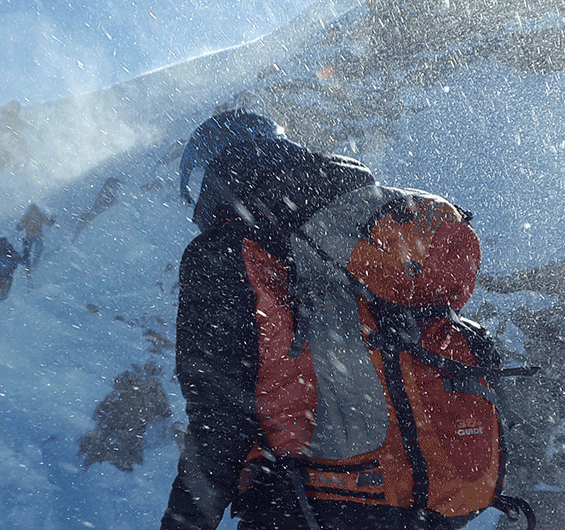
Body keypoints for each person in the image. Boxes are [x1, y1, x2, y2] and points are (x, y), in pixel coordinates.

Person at [161, 111, 520, 530]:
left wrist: (183, 521)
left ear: (219, 173)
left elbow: (219, 416)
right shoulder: (357, 224)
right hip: (419, 499)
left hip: (310, 501)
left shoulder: (224, 253)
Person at [16, 202, 56, 271]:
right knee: (37, 251)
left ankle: (27, 267)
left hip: (29, 236)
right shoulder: (39, 215)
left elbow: (20, 227)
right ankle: (34, 265)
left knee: (27, 252)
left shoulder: (27, 216)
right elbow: (49, 223)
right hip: (38, 236)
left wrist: (19, 227)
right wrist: (52, 219)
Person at [0, 237, 21, 304]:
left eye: (4, 245)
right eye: (1, 246)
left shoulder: (12, 253)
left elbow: (20, 260)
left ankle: (1, 308)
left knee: (3, 296)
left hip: (7, 277)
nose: (2, 247)